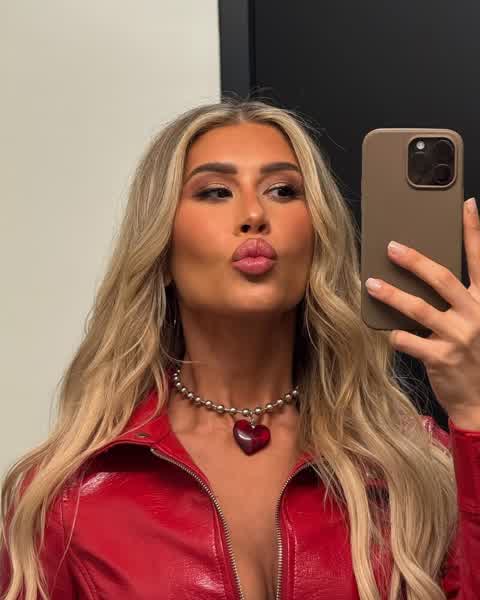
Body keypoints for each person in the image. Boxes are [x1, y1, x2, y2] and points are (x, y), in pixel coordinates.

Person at [1, 98, 479, 600]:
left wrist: (472, 413)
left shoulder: (412, 469)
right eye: (215, 192)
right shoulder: (69, 497)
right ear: (161, 250)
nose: (253, 214)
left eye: (282, 190)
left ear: (318, 240)